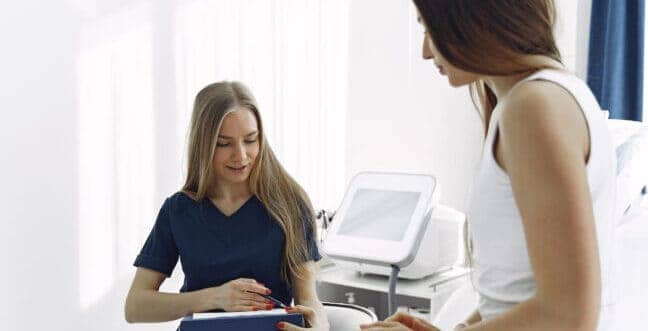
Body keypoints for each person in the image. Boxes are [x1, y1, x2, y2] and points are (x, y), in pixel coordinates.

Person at [361, 1, 617, 330]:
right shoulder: (534, 100)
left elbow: (568, 314)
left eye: (429, 29)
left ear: (472, 15)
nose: (426, 51)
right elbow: (513, 297)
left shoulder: (533, 107)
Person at [124, 81, 329, 330]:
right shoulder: (179, 210)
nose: (241, 155)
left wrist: (319, 327)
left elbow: (308, 299)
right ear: (204, 143)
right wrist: (215, 297)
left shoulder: (290, 205)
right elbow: (135, 307)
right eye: (224, 143)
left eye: (251, 140)